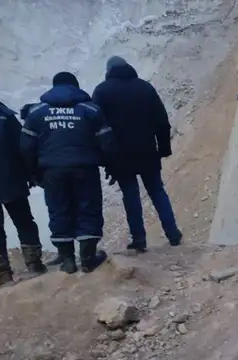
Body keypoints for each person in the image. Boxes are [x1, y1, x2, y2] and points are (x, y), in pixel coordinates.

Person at [20, 72, 116, 274]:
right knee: (88, 208)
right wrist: (110, 165)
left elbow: (26, 147)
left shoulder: (37, 113)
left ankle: (68, 260)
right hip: (84, 168)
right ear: (76, 86)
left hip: (52, 171)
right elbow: (107, 142)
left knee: (59, 210)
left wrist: (32, 172)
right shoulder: (90, 110)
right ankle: (88, 259)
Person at [92, 56, 182, 251]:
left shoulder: (102, 91)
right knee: (157, 191)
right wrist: (164, 148)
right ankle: (173, 234)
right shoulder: (145, 88)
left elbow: (96, 127)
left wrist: (104, 159)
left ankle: (139, 239)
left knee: (130, 195)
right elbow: (161, 120)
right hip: (147, 150)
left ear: (108, 71)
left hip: (120, 155)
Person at [0, 99, 47, 286]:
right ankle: (34, 264)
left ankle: (2, 274)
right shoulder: (5, 115)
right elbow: (23, 146)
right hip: (11, 178)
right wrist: (31, 174)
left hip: (11, 178)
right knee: (24, 221)